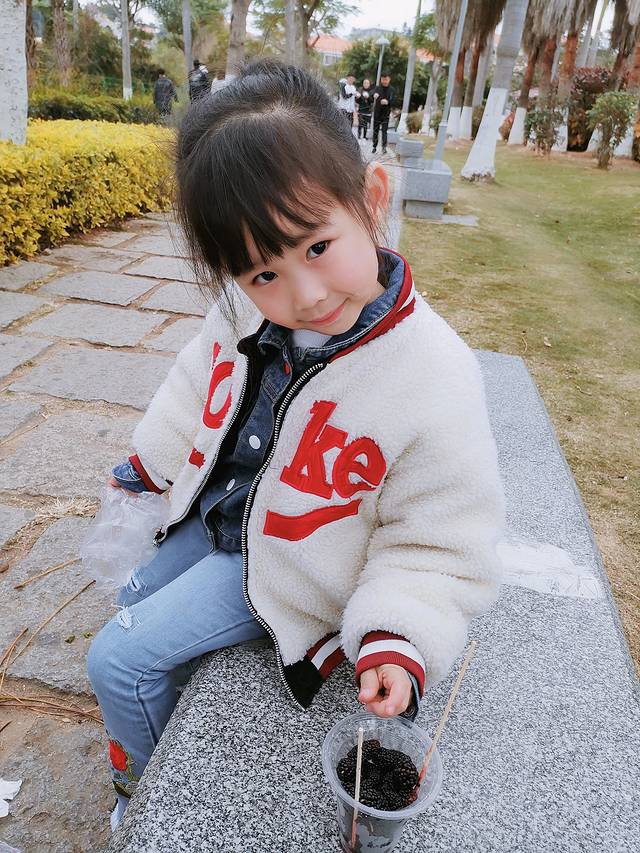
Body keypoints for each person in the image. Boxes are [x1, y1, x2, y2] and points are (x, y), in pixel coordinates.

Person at [87, 60, 505, 832]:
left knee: (116, 659)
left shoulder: (434, 376)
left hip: (285, 564)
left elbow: (440, 541)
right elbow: (197, 381)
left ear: (371, 198)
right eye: (263, 272)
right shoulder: (242, 308)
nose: (305, 294)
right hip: (220, 518)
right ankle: (168, 739)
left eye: (317, 246)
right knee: (132, 600)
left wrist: (399, 637)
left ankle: (141, 806)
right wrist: (149, 463)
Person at [372, 72, 396, 154]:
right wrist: (374, 95)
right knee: (375, 130)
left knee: (384, 131)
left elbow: (393, 101)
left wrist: (387, 102)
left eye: (386, 79)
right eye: (383, 79)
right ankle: (374, 146)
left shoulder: (392, 90)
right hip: (377, 113)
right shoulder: (377, 88)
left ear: (389, 79)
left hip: (386, 114)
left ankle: (384, 147)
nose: (384, 81)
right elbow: (372, 94)